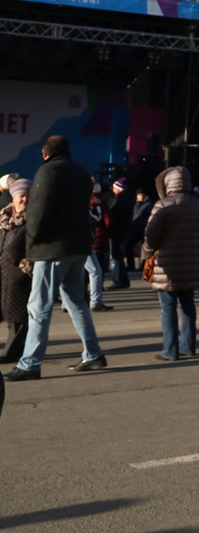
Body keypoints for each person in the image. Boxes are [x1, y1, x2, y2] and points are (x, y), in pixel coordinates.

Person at [4, 136, 108, 381]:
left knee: (38, 306)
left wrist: (31, 246)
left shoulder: (47, 172)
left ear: (44, 153)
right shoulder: (82, 173)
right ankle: (93, 354)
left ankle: (30, 363)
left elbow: (38, 212)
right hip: (77, 246)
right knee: (75, 302)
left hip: (51, 249)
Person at [141, 166, 199, 361]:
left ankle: (169, 350)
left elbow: (150, 235)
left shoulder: (163, 205)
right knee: (188, 305)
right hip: (191, 264)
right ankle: (188, 346)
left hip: (167, 266)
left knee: (168, 307)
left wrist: (146, 252)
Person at [0, 179, 33, 364]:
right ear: (13, 197)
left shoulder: (32, 220)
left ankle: (13, 352)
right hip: (1, 271)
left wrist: (25, 267)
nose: (25, 201)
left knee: (17, 317)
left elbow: (36, 246)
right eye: (22, 196)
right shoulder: (3, 217)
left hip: (18, 275)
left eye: (28, 196)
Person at [86, 183, 113, 312]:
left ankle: (67, 302)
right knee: (95, 271)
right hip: (84, 242)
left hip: (71, 242)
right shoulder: (87, 202)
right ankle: (95, 302)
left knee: (72, 273)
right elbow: (96, 219)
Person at [107, 177, 134, 289]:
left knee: (115, 258)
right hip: (122, 232)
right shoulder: (127, 199)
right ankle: (123, 281)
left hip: (117, 232)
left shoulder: (120, 201)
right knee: (119, 258)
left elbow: (114, 217)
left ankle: (118, 281)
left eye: (114, 187)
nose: (113, 190)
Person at [128, 188, 153, 270]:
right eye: (139, 195)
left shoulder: (148, 205)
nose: (141, 197)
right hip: (134, 229)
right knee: (129, 246)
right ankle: (130, 265)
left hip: (143, 229)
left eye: (142, 195)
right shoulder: (134, 205)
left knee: (145, 248)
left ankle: (143, 266)